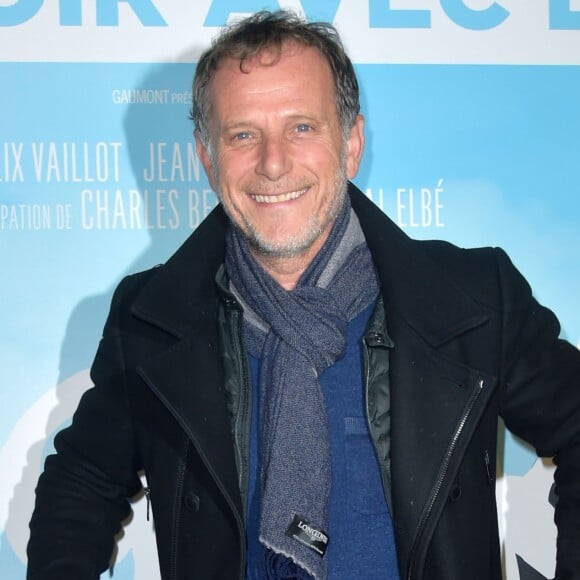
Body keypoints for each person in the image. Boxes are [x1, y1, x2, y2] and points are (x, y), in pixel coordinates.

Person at [27, 10, 580, 580]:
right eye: (243, 134)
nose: (273, 162)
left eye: (301, 127)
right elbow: (82, 486)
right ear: (206, 158)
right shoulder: (151, 323)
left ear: (352, 143)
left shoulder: (473, 302)